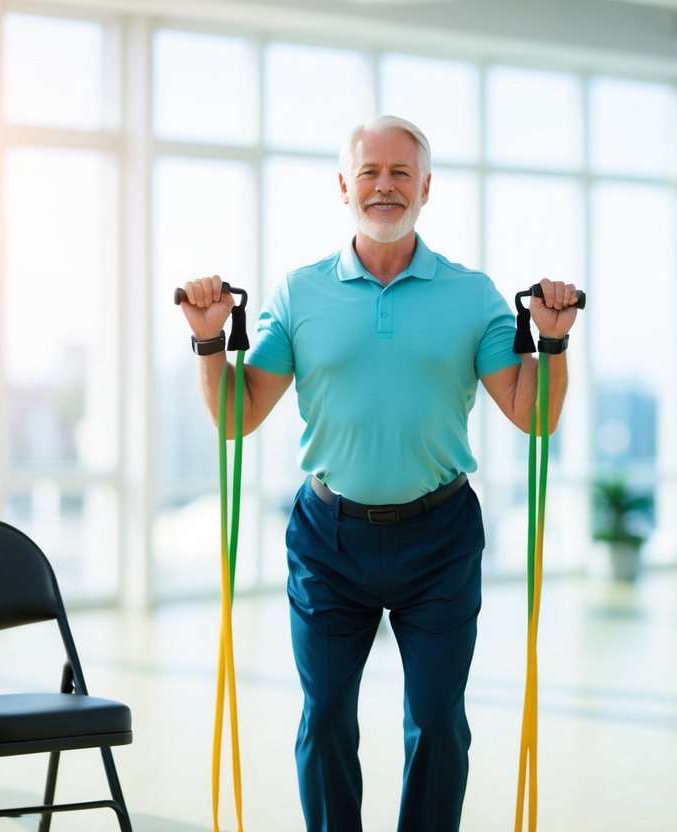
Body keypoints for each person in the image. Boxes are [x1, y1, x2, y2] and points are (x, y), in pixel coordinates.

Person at [178, 114, 580, 832]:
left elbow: (532, 415)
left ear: (425, 187)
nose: (385, 186)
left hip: (440, 536)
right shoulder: (299, 294)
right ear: (344, 187)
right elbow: (236, 418)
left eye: (400, 173)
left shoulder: (471, 294)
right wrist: (210, 340)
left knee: (435, 720)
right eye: (370, 172)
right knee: (326, 717)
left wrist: (551, 347)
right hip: (329, 539)